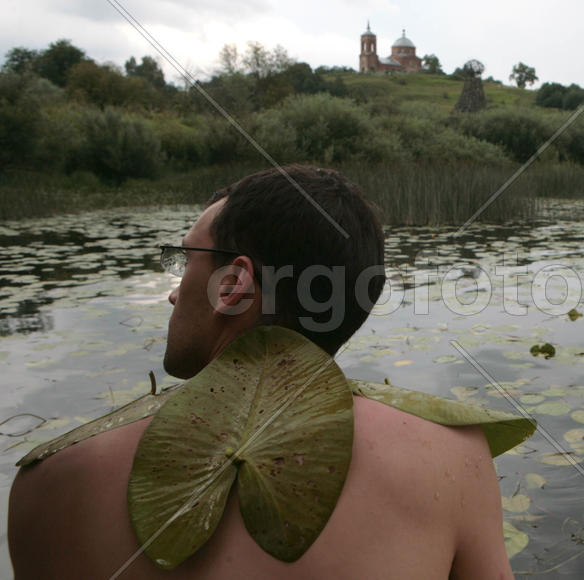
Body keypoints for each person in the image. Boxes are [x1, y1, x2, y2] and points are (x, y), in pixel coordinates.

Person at [8, 165, 515, 579]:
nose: (174, 292)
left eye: (185, 260)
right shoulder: (454, 460)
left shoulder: (54, 481)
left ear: (232, 285)